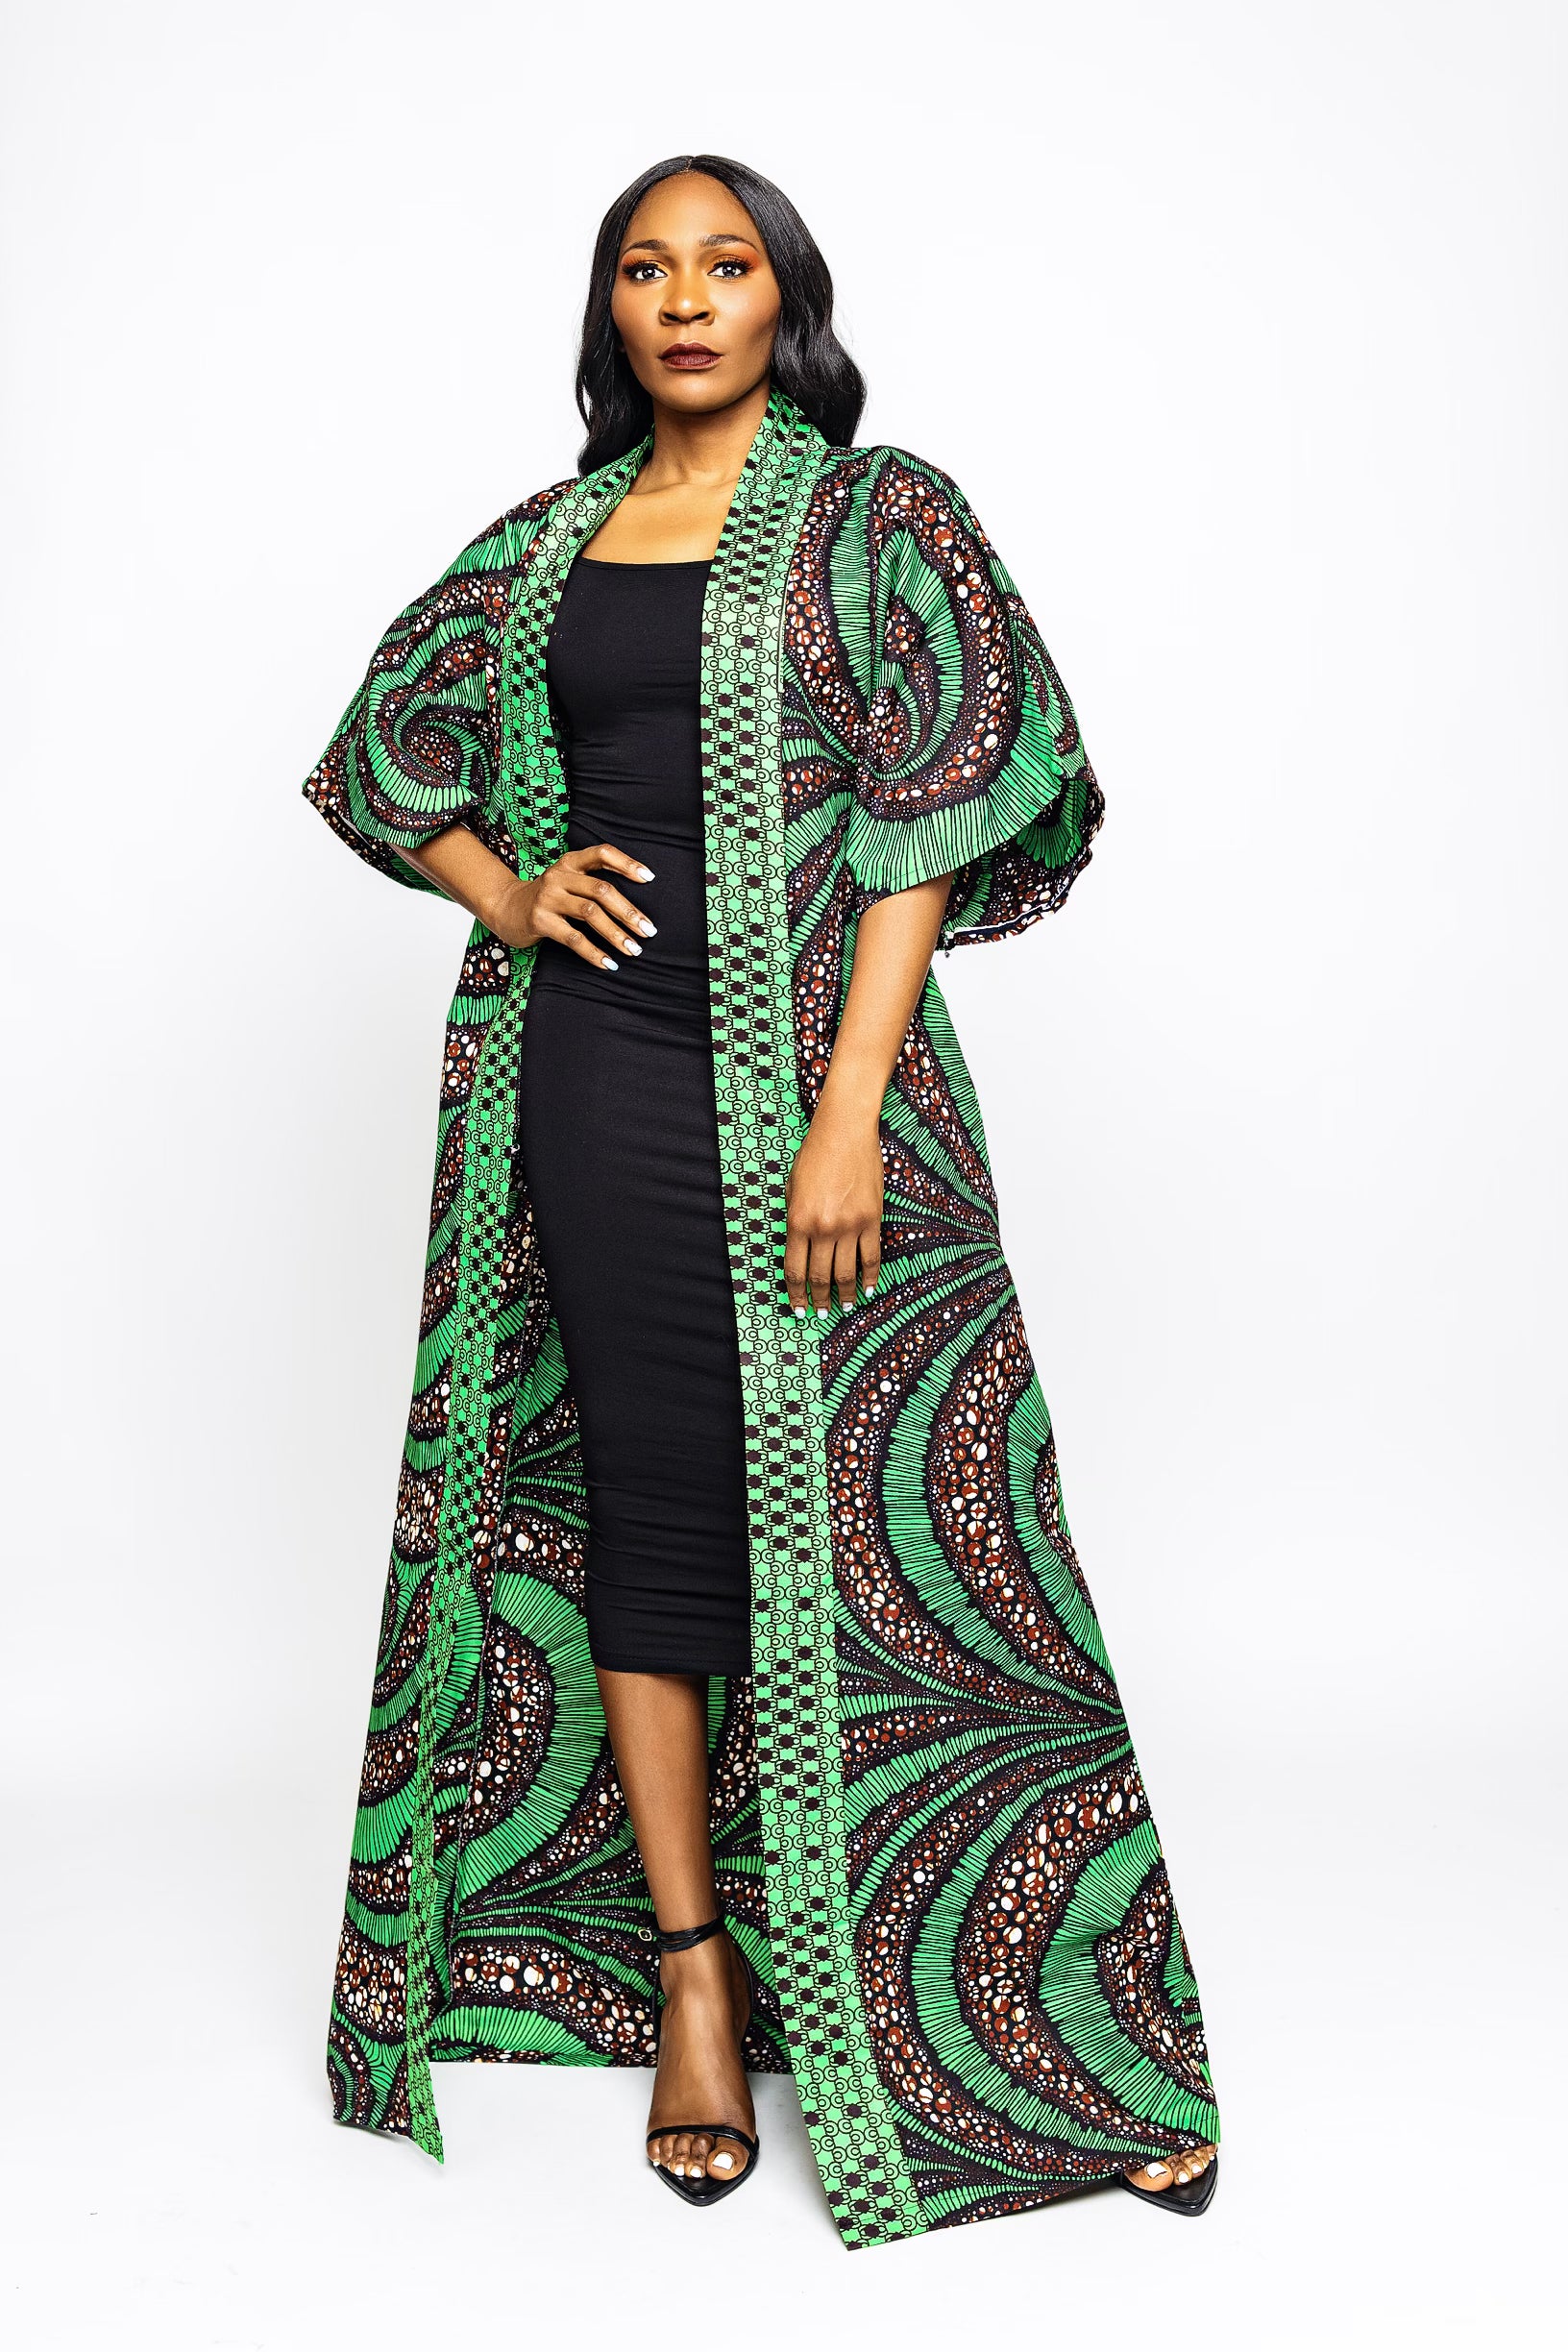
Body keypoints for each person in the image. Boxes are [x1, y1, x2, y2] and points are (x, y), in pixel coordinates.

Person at [304, 153, 1219, 2243]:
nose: (687, 298)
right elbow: (377, 756)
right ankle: (698, 1981)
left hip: (827, 1091)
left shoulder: (882, 518)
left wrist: (846, 1110)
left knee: (941, 1529)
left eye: (727, 265)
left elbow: (931, 814)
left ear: (784, 300)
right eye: (648, 268)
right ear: (612, 312)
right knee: (648, 1504)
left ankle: (1070, 2049)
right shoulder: (548, 547)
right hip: (595, 1079)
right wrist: (509, 893)